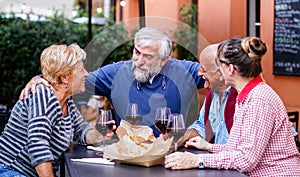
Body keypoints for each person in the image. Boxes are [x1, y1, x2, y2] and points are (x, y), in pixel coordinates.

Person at [19, 27, 205, 137]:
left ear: (164, 60)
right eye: (136, 52)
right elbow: (72, 79)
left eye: (147, 56)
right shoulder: (117, 72)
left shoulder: (183, 70)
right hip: (128, 158)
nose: (139, 61)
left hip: (174, 156)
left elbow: (219, 75)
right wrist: (42, 78)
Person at [164, 36, 300, 176]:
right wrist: (209, 147)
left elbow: (246, 159)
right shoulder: (247, 96)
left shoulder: (258, 100)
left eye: (220, 64)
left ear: (230, 69)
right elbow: (238, 149)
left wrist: (196, 160)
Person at [0, 44, 113, 177]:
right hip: (10, 169)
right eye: (81, 70)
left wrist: (99, 134)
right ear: (64, 77)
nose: (86, 74)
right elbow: (38, 145)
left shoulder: (67, 102)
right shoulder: (43, 95)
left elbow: (81, 131)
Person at [179, 44, 237, 145]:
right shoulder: (214, 92)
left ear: (220, 73)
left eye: (203, 70)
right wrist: (179, 140)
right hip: (217, 157)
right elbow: (201, 125)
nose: (198, 74)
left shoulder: (243, 98)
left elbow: (241, 153)